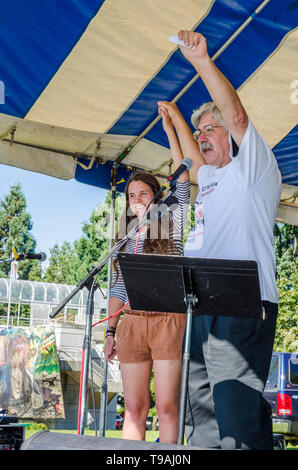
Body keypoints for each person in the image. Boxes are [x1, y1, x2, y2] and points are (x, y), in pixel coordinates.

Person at [157, 30, 281, 450]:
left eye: (211, 128)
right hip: (204, 304)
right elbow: (186, 165)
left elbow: (239, 117)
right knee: (202, 417)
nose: (204, 135)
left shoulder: (255, 167)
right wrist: (175, 122)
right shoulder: (209, 177)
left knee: (234, 416)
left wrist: (202, 63)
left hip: (245, 302)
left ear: (230, 132)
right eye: (201, 131)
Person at [104, 107, 190, 444]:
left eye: (143, 193)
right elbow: (119, 286)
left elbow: (182, 177)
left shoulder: (172, 219)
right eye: (130, 196)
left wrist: (169, 129)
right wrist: (110, 331)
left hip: (167, 319)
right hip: (133, 323)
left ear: (155, 195)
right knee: (135, 409)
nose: (136, 200)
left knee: (167, 407)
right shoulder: (126, 235)